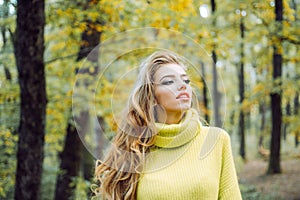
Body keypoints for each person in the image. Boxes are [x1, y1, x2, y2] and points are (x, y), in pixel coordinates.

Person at [94, 50, 242, 200]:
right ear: (151, 95)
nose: (182, 86)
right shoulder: (134, 149)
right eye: (169, 82)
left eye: (186, 81)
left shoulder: (216, 140)